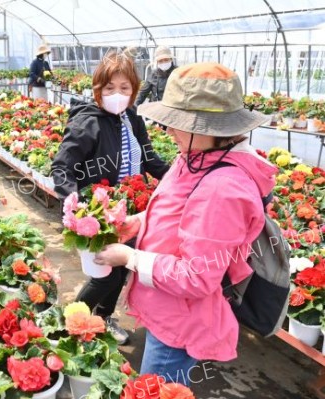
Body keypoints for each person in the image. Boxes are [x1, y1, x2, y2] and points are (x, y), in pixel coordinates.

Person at [93, 62, 277, 384]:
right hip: (167, 305)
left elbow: (197, 277)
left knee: (157, 389)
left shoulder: (223, 189)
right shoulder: (197, 156)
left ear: (210, 127)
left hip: (181, 318)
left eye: (178, 122)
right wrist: (137, 223)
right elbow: (174, 210)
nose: (167, 130)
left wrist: (129, 258)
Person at [51, 50, 170, 345]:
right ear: (98, 89)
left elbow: (150, 159)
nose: (117, 94)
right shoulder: (87, 122)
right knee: (106, 275)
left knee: (121, 270)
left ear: (133, 92)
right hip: (97, 217)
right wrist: (80, 208)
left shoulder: (132, 118)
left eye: (125, 88)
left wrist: (180, 179)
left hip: (126, 214)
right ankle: (69, 328)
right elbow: (62, 167)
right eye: (109, 88)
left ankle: (102, 320)